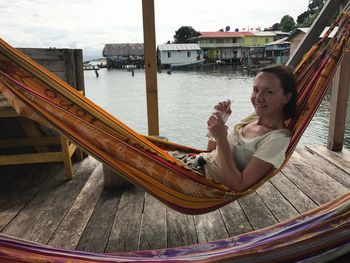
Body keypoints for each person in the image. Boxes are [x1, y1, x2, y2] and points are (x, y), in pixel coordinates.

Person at [171, 64, 297, 192]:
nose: (258, 98)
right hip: (191, 162)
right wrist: (220, 122)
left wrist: (221, 137)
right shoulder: (254, 118)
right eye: (256, 89)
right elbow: (211, 153)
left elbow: (238, 185)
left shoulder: (277, 140)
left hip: (197, 181)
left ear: (286, 97)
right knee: (152, 147)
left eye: (269, 92)